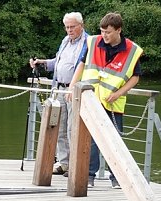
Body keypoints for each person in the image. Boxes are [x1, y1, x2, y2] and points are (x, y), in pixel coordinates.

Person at [68, 12, 143, 188]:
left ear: (119, 30)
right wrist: (72, 86)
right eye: (102, 31)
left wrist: (119, 93)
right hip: (91, 99)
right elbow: (81, 64)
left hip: (113, 102)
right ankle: (88, 176)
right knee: (90, 139)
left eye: (108, 32)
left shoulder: (132, 50)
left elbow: (135, 77)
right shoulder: (93, 42)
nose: (104, 35)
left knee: (115, 141)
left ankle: (117, 179)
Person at [29, 12, 87, 176]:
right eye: (67, 27)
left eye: (72, 27)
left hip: (75, 90)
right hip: (59, 88)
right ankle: (64, 162)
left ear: (81, 25)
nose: (69, 30)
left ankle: (76, 164)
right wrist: (42, 63)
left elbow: (85, 65)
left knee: (72, 128)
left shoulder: (88, 42)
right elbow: (58, 62)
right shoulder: (65, 41)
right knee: (59, 126)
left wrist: (73, 87)